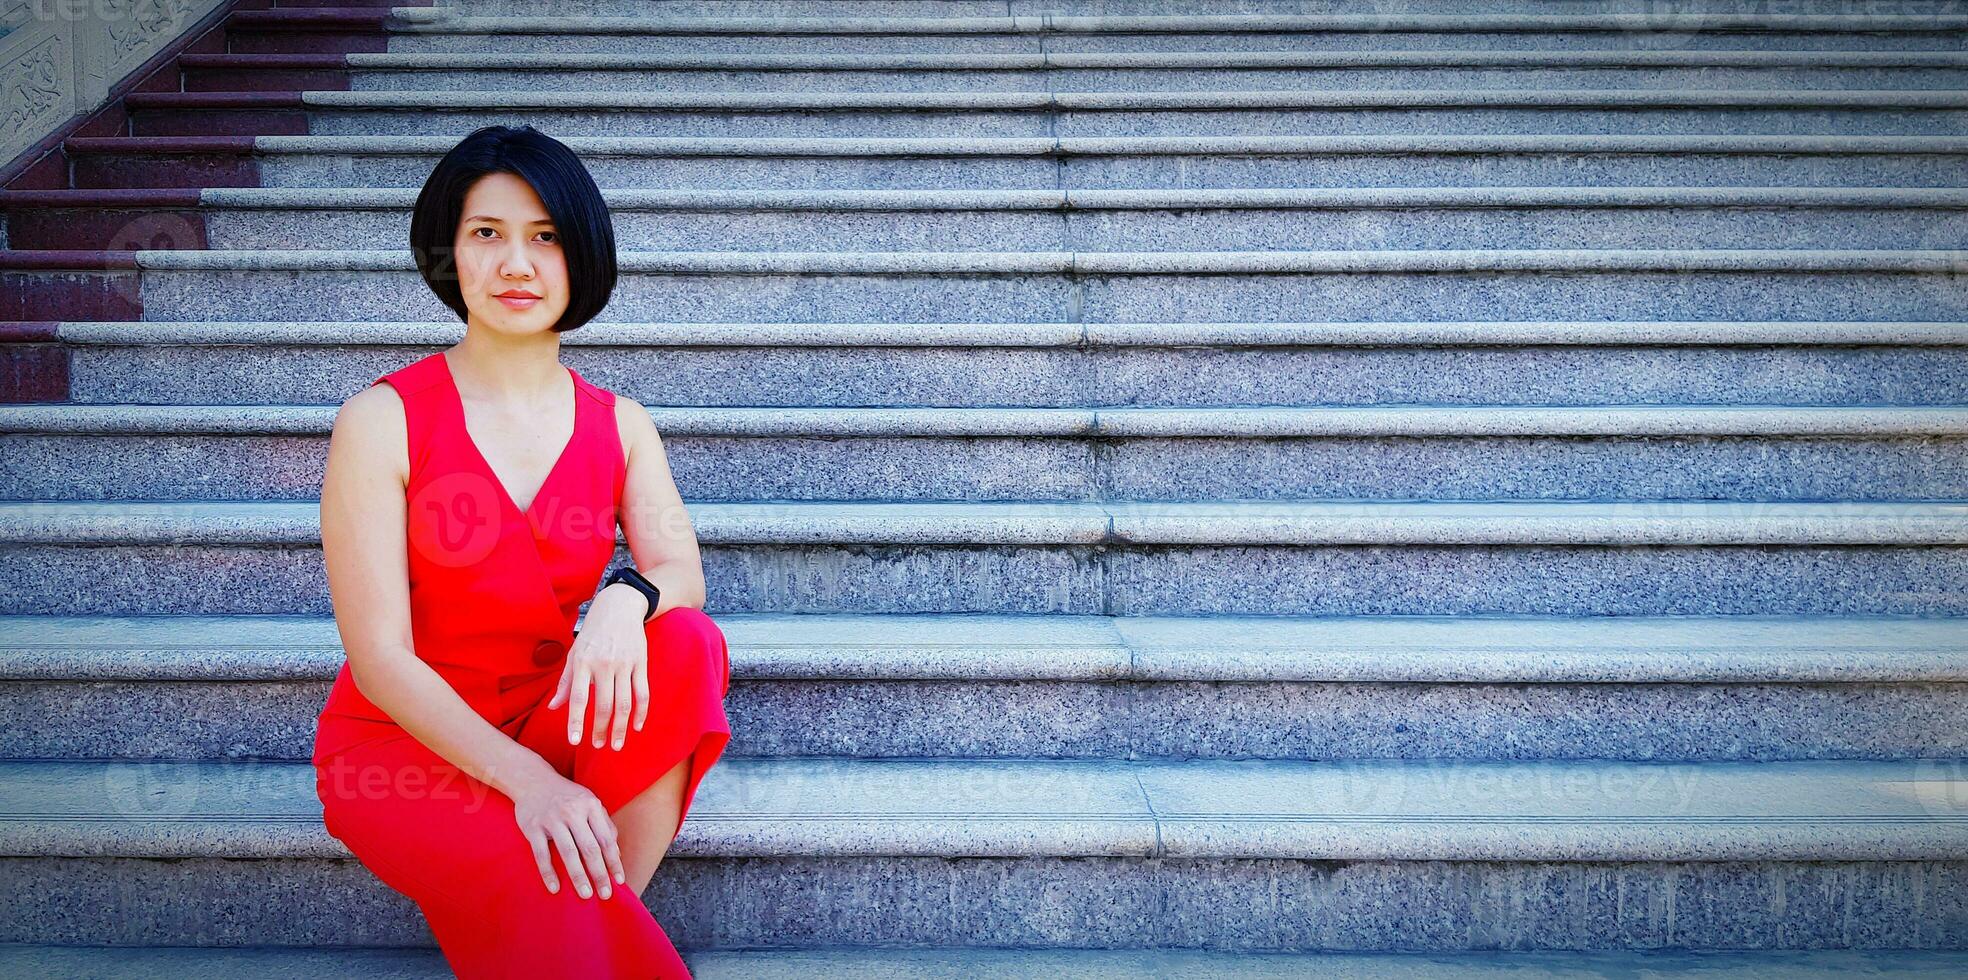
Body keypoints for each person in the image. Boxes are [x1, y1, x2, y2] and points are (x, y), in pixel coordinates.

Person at [311, 124, 731, 979]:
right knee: (553, 901)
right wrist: (530, 786)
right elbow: (380, 658)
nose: (516, 264)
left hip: (555, 717)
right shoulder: (381, 420)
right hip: (406, 747)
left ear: (581, 256)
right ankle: (575, 925)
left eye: (545, 237)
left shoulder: (620, 424)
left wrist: (623, 599)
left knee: (688, 641)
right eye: (487, 234)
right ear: (448, 252)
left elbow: (679, 571)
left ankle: (572, 922)